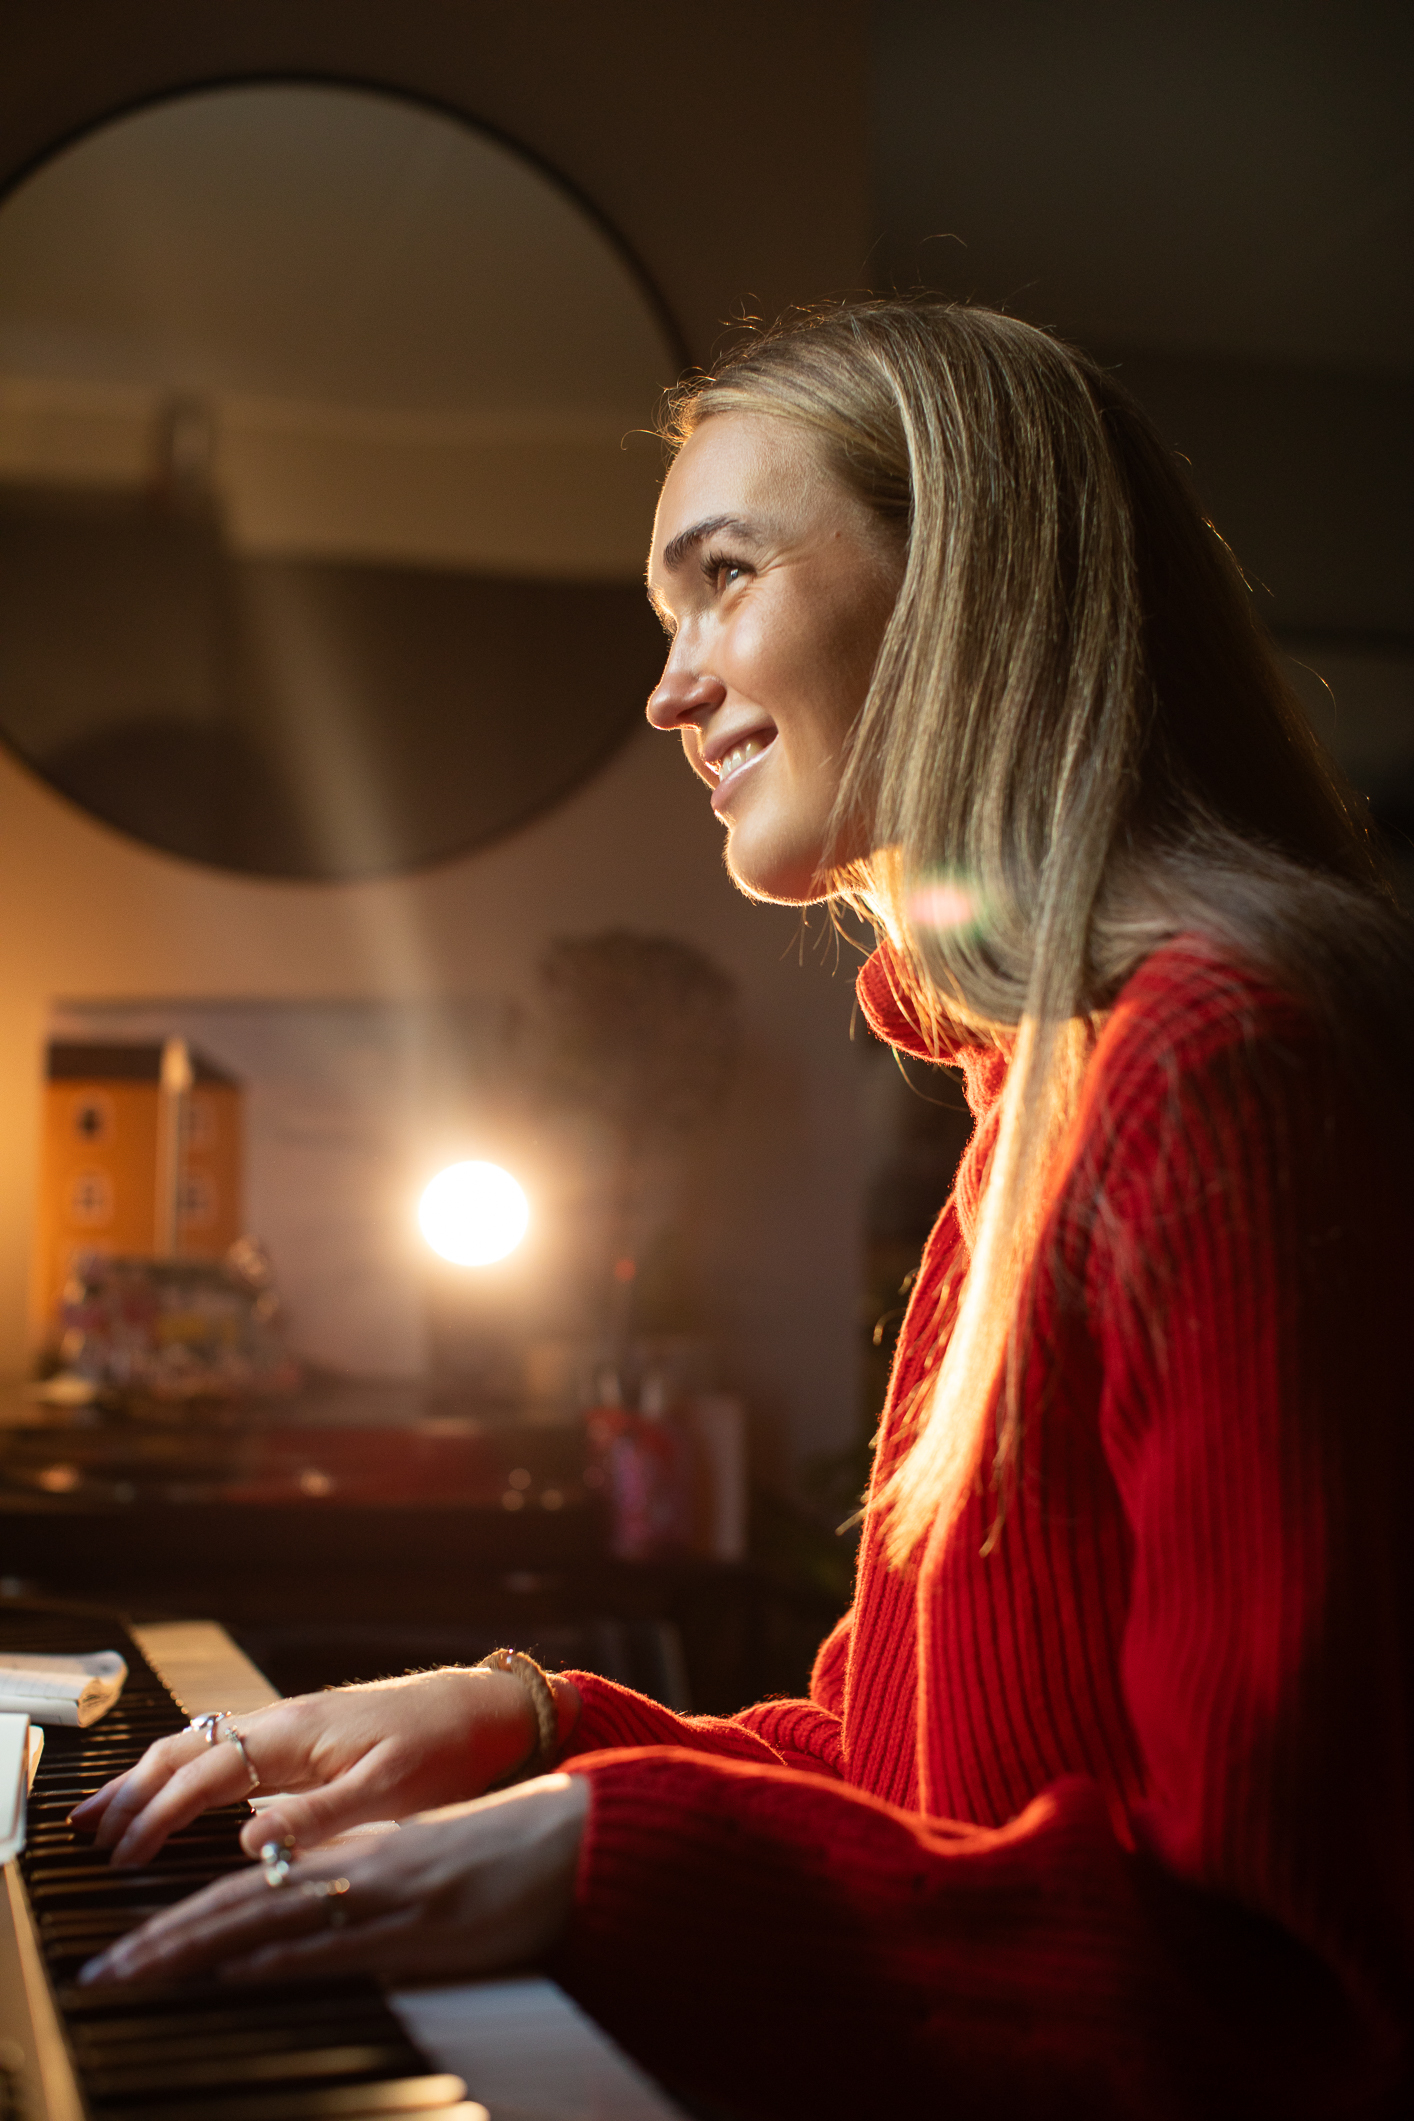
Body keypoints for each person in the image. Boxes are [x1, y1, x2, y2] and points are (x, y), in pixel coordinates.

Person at [70, 302, 1414, 2120]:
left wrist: (591, 1855)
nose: (667, 685)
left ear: (962, 574)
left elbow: (1283, 1997)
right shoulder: (1033, 1082)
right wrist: (529, 1723)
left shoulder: (1214, 1056)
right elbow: (902, 1772)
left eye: (722, 578)